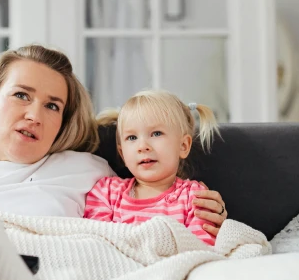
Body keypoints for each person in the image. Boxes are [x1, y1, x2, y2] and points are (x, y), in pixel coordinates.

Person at [0, 44, 227, 233]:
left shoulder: (87, 170)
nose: (35, 115)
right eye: (21, 95)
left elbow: (146, 205)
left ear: (61, 122)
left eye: (52, 106)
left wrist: (208, 214)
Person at [83, 89, 222, 245]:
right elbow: (94, 244)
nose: (142, 146)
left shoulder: (195, 198)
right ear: (122, 154)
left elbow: (201, 249)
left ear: (183, 146)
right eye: (132, 137)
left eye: (156, 133)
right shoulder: (106, 193)